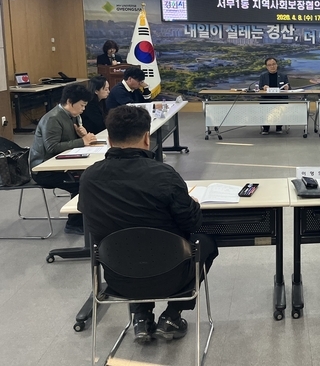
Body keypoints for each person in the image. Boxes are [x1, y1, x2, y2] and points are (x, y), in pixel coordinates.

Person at [78, 106, 218, 343]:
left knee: (132, 246)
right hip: (170, 276)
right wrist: (192, 203)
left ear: (109, 139)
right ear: (146, 138)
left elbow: (92, 219)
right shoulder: (164, 175)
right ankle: (172, 315)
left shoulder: (89, 178)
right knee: (205, 242)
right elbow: (192, 222)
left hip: (117, 278)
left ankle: (141, 317)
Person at [29, 83, 97, 235]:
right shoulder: (53, 118)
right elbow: (52, 148)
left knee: (90, 177)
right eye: (82, 105)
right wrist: (82, 141)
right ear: (70, 102)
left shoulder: (72, 116)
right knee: (81, 183)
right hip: (44, 170)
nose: (83, 109)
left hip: (62, 164)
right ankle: (73, 224)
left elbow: (68, 141)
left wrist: (83, 136)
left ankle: (86, 218)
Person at [257, 57, 290, 134]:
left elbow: (289, 87)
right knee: (265, 106)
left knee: (281, 106)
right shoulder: (263, 76)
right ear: (266, 67)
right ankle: (266, 128)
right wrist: (263, 88)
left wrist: (287, 87)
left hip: (280, 98)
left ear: (277, 65)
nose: (272, 66)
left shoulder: (283, 75)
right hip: (267, 98)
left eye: (274, 64)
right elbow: (260, 88)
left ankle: (279, 127)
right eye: (269, 65)